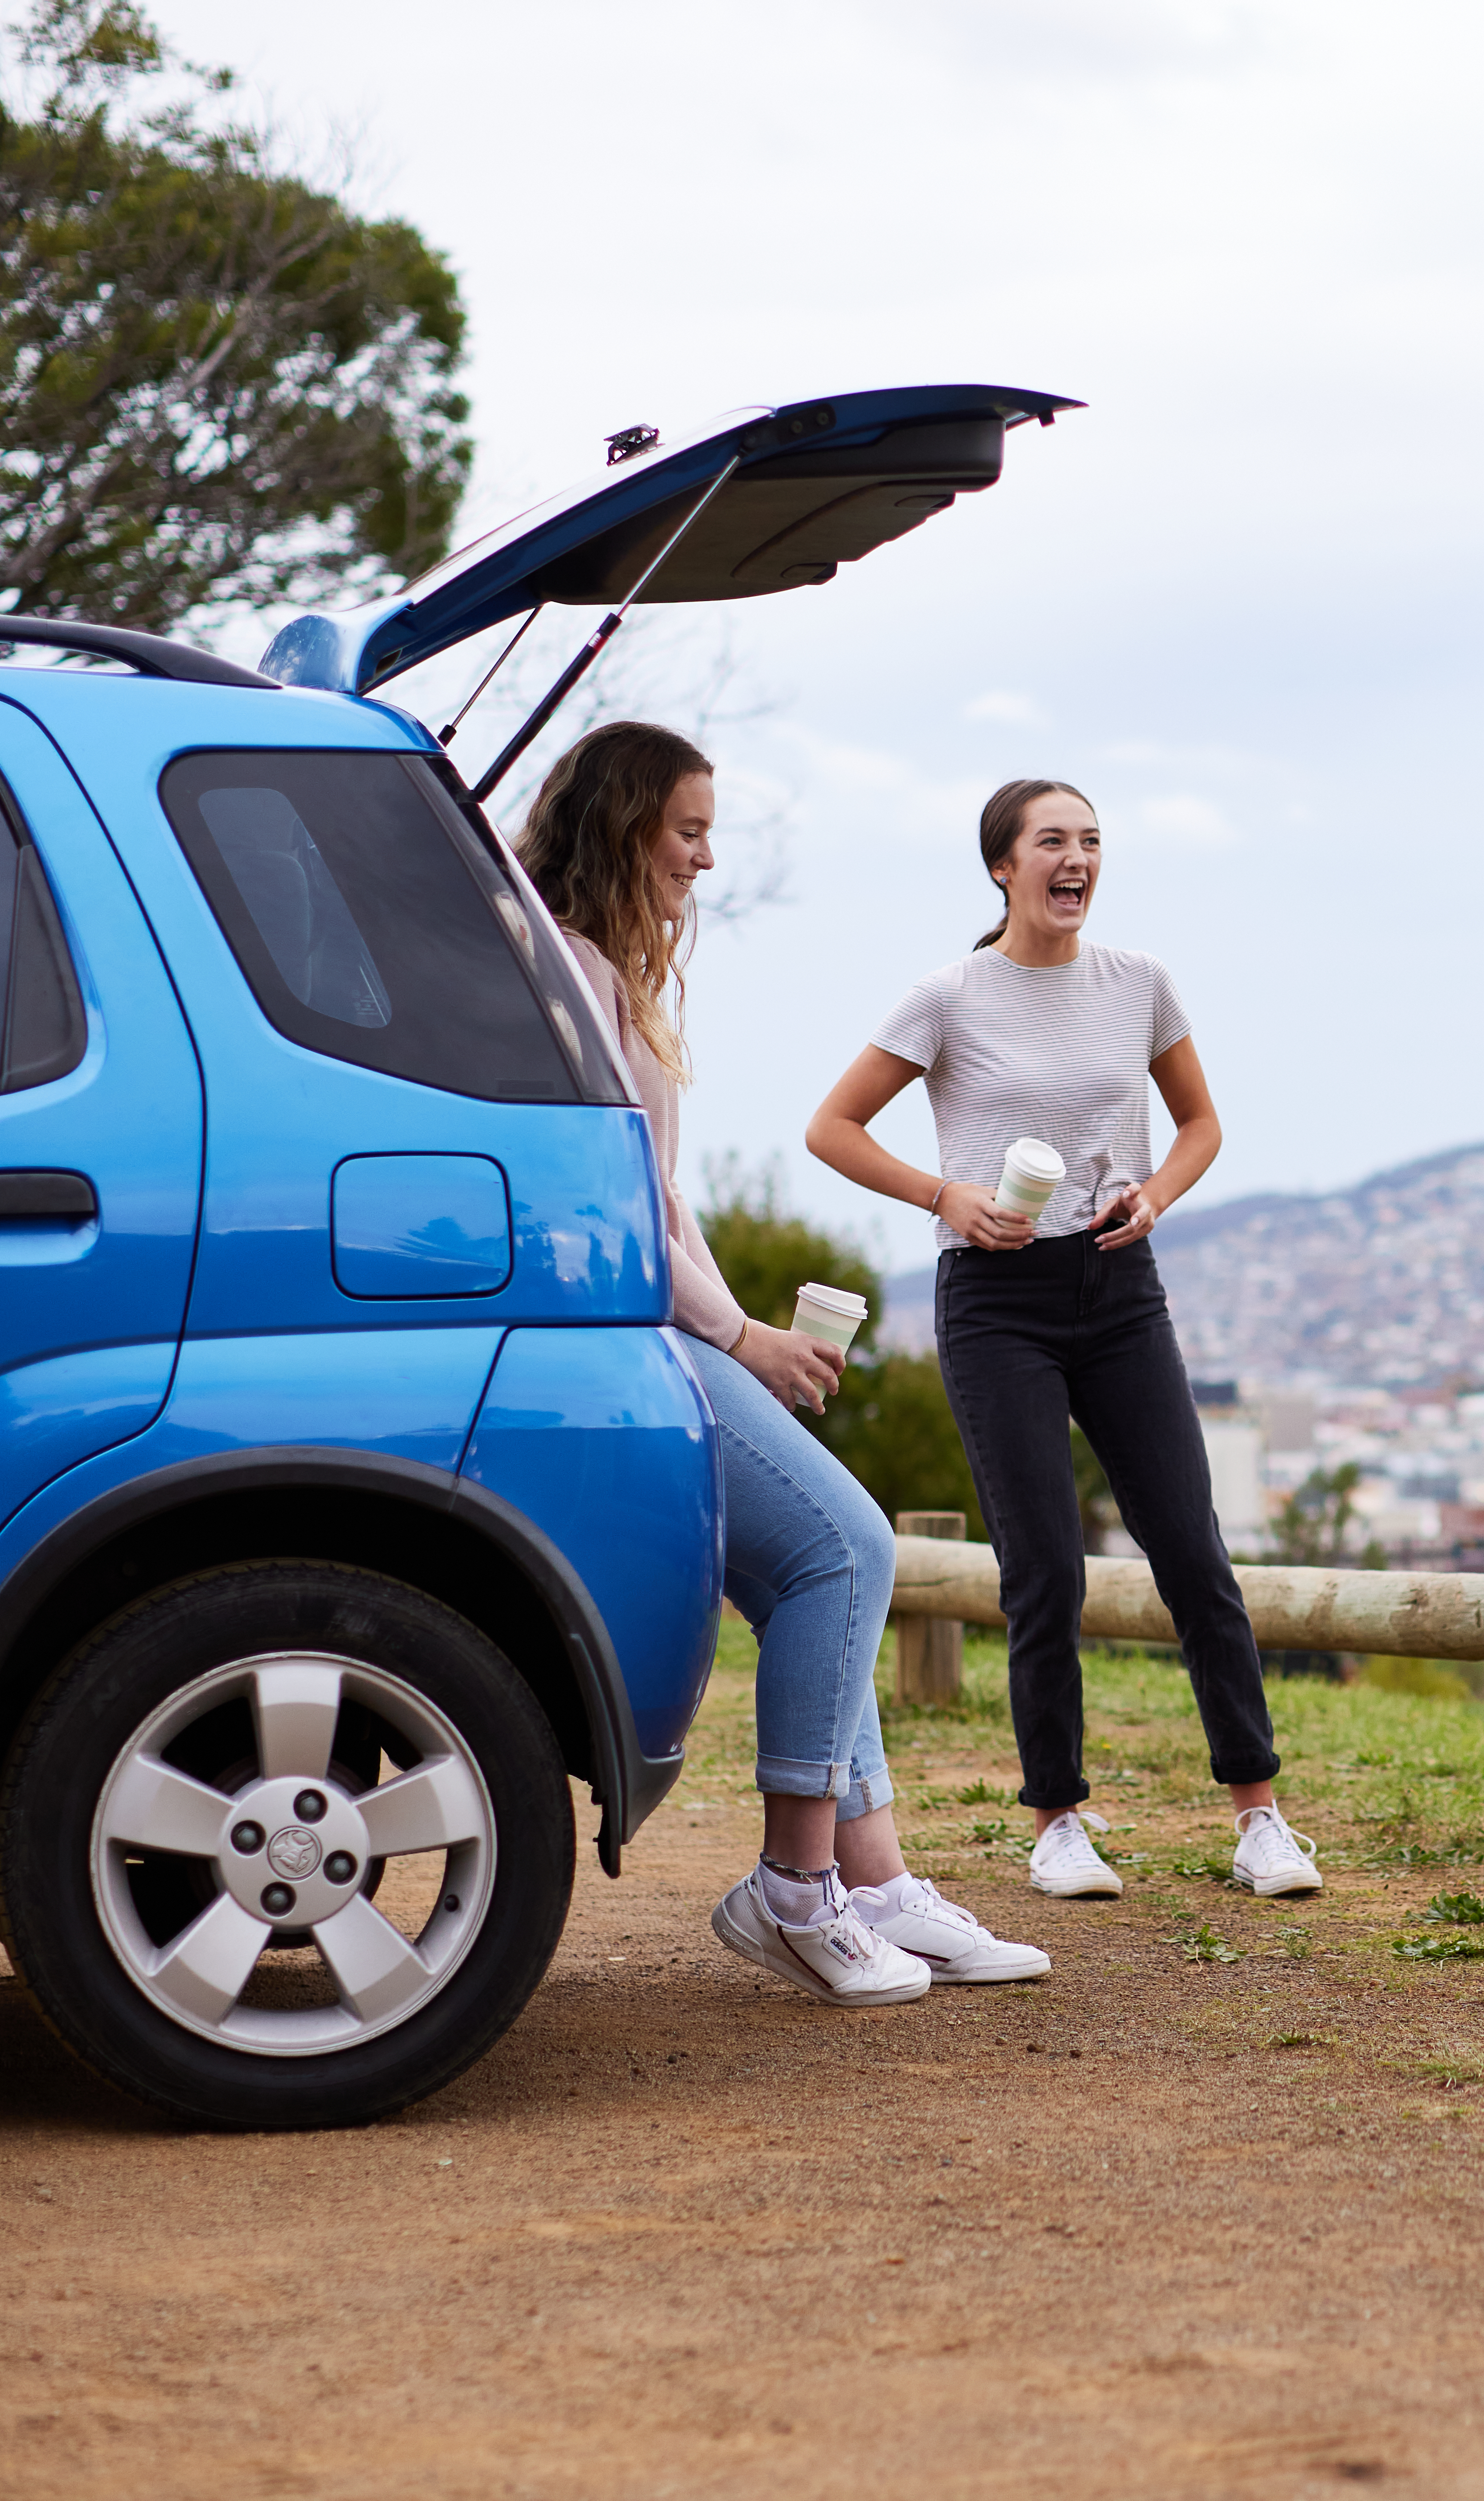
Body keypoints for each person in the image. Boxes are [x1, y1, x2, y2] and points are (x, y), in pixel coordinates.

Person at [514, 721, 1048, 2003]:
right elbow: (625, 1203)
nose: (704, 857)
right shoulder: (570, 970)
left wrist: (741, 1327)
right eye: (688, 830)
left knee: (819, 1568)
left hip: (664, 1321)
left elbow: (664, 1195)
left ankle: (871, 1879)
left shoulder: (595, 967)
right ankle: (794, 1889)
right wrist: (735, 1335)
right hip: (628, 1329)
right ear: (623, 824)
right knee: (846, 1551)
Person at [805, 778, 1317, 1904]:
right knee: (1042, 1565)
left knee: (1191, 1549)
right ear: (1003, 865)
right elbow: (830, 1126)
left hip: (1119, 1283)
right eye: (1053, 841)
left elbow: (1200, 1124)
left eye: (1091, 840)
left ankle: (1261, 1816)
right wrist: (949, 1196)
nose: (1076, 858)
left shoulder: (1139, 984)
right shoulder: (948, 995)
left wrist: (1156, 1196)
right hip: (995, 1299)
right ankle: (1058, 1823)